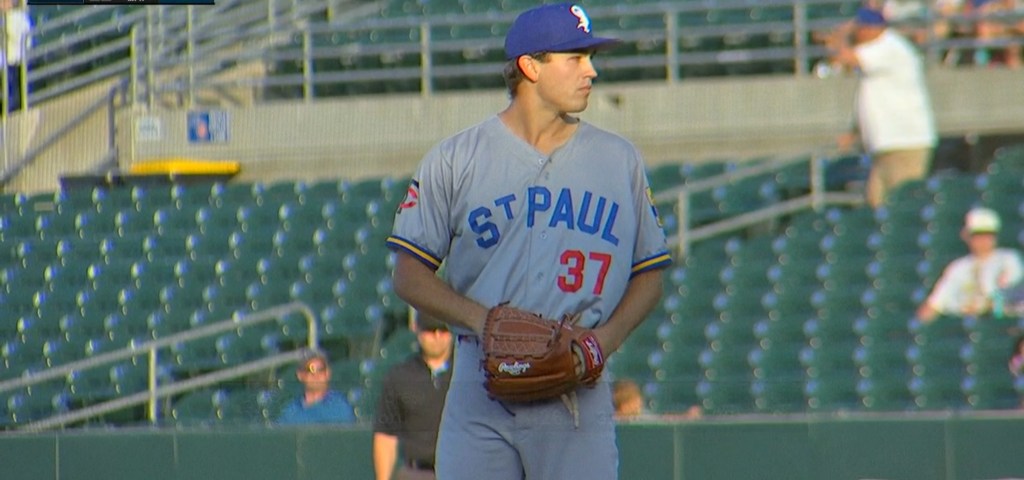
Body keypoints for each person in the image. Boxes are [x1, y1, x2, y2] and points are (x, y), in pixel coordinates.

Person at [385, 3, 672, 479]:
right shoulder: (456, 159)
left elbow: (651, 272)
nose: (592, 70)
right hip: (481, 383)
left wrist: (604, 342)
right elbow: (409, 274)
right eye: (576, 57)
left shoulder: (618, 160)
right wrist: (487, 322)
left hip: (575, 384)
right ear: (530, 66)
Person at [830, 7, 937, 209]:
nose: (857, 33)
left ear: (872, 28)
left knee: (902, 206)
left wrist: (842, 35)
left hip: (905, 143)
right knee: (876, 204)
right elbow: (870, 100)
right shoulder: (876, 48)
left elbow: (847, 58)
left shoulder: (890, 46)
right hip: (886, 145)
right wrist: (853, 133)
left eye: (860, 28)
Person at [373, 312, 454, 480]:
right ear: (416, 329)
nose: (437, 336)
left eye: (443, 330)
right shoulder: (400, 376)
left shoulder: (467, 373)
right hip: (417, 472)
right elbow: (386, 436)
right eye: (430, 330)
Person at [917, 207, 1024, 322]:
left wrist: (984, 306)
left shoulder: (1008, 259)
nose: (983, 239)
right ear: (967, 236)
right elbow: (935, 303)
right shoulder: (958, 267)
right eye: (977, 234)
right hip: (966, 327)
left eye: (988, 234)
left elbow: (1010, 293)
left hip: (1004, 325)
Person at [276, 350, 356, 425]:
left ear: (327, 373)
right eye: (309, 370)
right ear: (300, 375)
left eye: (320, 369)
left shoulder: (339, 407)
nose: (316, 375)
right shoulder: (291, 411)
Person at [611, 378, 701, 422]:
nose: (639, 403)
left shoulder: (641, 418)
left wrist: (686, 417)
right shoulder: (609, 423)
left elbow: (662, 420)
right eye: (634, 400)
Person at [1, 0, 31, 112]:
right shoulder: (7, 18)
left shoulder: (16, 17)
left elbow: (19, 36)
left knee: (17, 91)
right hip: (9, 60)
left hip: (17, 59)